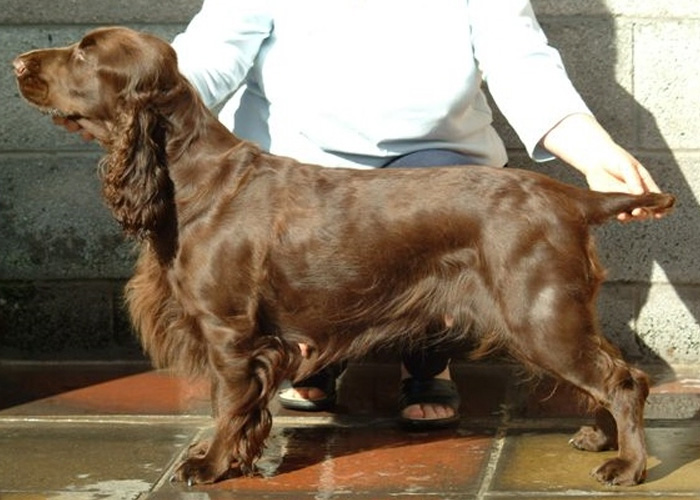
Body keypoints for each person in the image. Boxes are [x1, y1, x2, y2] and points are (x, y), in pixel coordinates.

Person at [59, 0, 661, 429]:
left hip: (433, 167)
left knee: (449, 233)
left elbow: (522, 64)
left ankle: (426, 361)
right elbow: (211, 55)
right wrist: (127, 101)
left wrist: (596, 153)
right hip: (295, 167)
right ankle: (312, 360)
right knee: (296, 250)